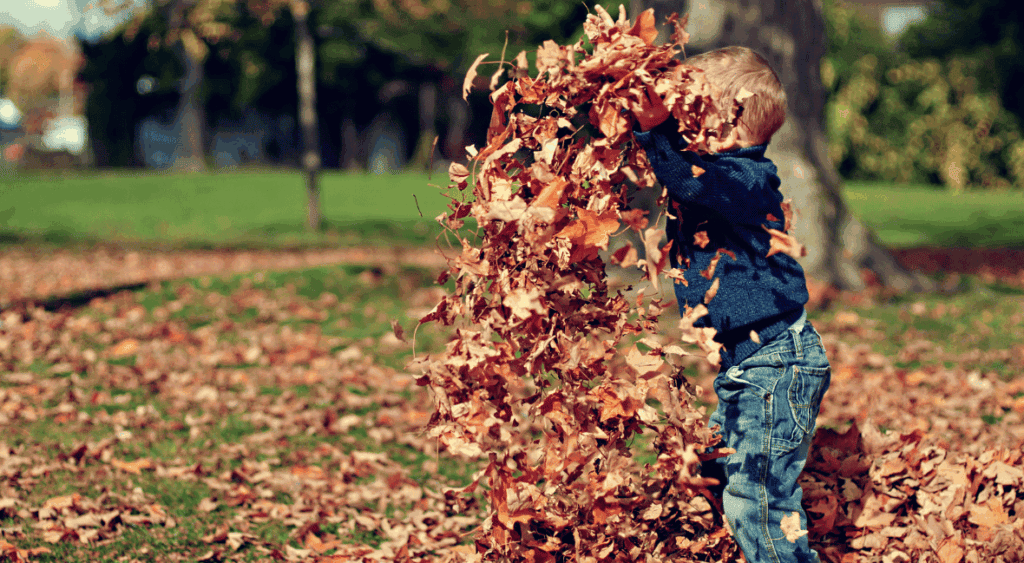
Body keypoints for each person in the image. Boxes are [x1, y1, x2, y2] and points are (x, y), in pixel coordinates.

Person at [632, 46, 832, 563]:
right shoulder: (719, 177)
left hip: (775, 366)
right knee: (714, 463)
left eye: (690, 110)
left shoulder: (747, 180)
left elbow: (689, 181)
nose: (679, 119)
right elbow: (687, 177)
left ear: (728, 121)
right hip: (750, 366)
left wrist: (655, 132)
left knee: (758, 502)